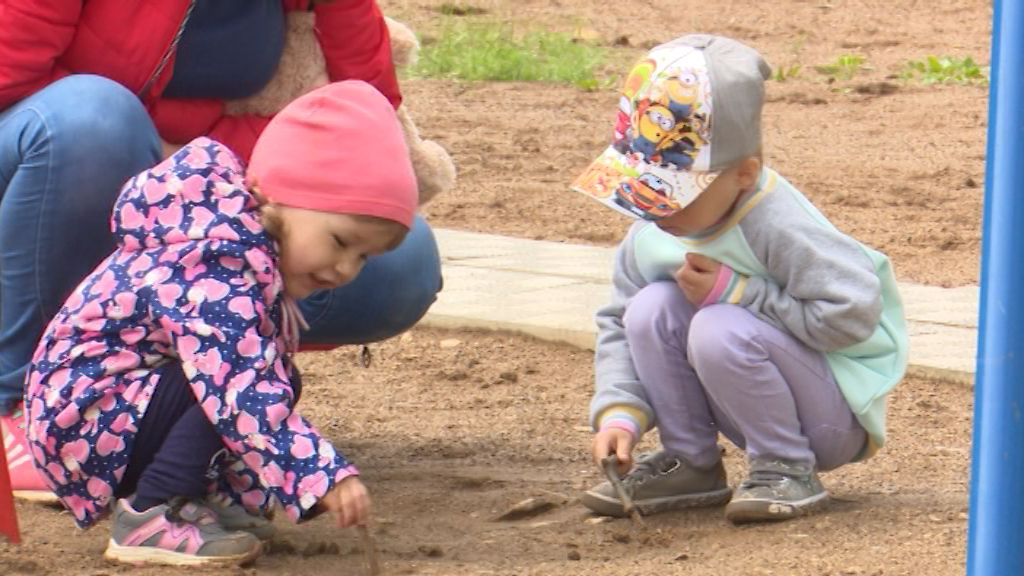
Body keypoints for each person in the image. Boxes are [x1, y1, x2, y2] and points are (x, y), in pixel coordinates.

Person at [0, 0, 442, 501]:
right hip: (45, 169)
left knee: (398, 264)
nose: (345, 268)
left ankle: (167, 401)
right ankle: (14, 404)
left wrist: (232, 182)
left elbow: (369, 118)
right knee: (95, 123)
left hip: (199, 184)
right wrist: (162, 167)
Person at [24, 80, 413, 566]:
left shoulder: (240, 248)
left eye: (363, 257)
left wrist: (249, 493)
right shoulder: (216, 263)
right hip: (82, 415)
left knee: (267, 377)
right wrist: (321, 474)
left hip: (111, 410)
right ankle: (150, 514)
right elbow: (237, 389)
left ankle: (198, 503)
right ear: (277, 196)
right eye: (339, 241)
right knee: (230, 382)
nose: (345, 270)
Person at [570, 35, 908, 524]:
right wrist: (620, 411)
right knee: (649, 307)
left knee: (718, 324)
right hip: (745, 399)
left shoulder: (778, 223)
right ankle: (691, 462)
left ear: (744, 174)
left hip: (831, 416)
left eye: (674, 191)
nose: (653, 205)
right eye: (642, 185)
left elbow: (853, 315)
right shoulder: (651, 233)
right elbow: (621, 325)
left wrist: (741, 294)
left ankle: (787, 467)